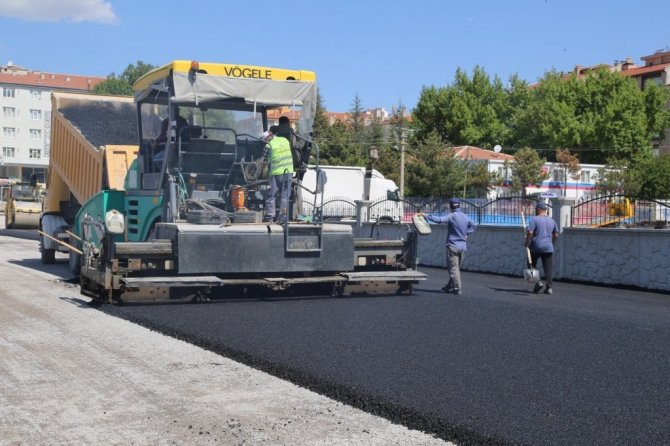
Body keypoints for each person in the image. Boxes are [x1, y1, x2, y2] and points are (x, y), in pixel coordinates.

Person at [419, 198, 476, 295]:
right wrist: (467, 233)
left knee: (453, 269)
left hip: (453, 246)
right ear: (459, 205)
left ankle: (457, 289)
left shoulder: (452, 216)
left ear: (450, 206)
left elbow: (439, 220)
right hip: (463, 247)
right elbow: (474, 225)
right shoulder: (465, 216)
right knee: (456, 269)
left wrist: (425, 215)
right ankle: (449, 287)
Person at [525, 202, 560, 295]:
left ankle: (538, 282)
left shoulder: (535, 219)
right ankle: (549, 287)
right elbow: (556, 234)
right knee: (548, 268)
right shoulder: (551, 220)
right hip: (548, 247)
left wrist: (527, 242)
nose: (535, 211)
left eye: (536, 209)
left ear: (539, 209)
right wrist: (552, 243)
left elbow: (530, 232)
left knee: (531, 264)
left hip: (536, 246)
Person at [261, 125, 294, 223]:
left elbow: (263, 161)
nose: (265, 142)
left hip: (276, 173)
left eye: (265, 140)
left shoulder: (268, 146)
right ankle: (283, 217)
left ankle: (270, 216)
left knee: (272, 195)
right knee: (285, 196)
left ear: (267, 138)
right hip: (288, 172)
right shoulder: (285, 140)